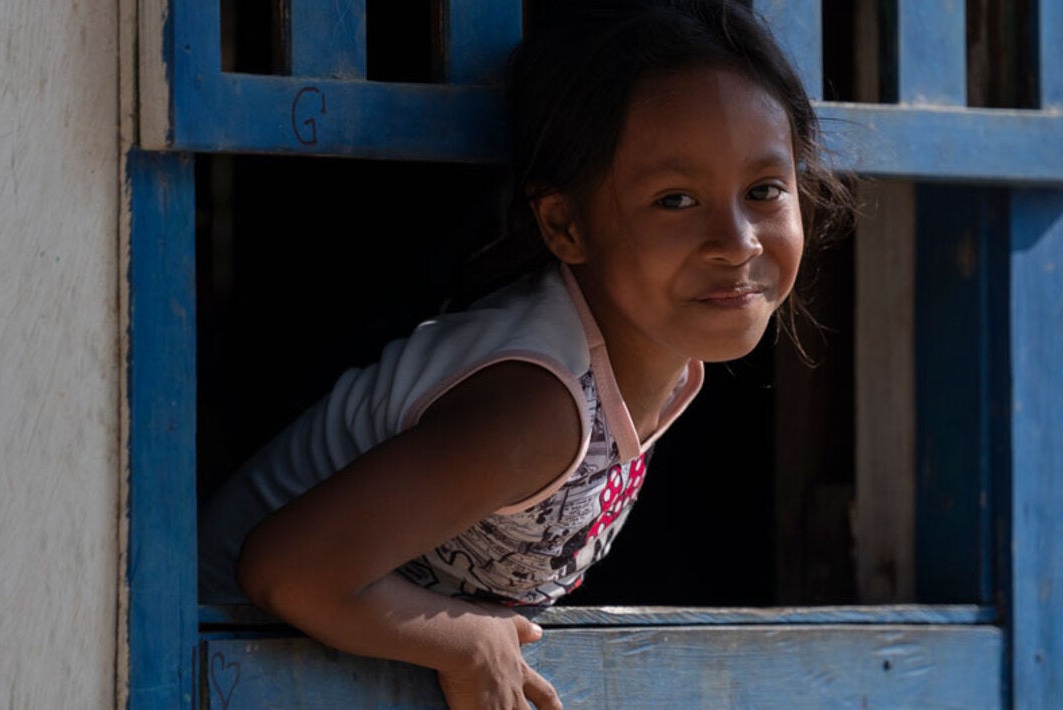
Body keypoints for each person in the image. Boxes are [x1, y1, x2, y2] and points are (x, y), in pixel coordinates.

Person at [198, 1, 852, 707]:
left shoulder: (665, 365)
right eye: (675, 199)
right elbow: (286, 573)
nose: (737, 241)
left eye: (763, 191)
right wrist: (463, 641)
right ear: (565, 225)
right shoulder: (539, 408)